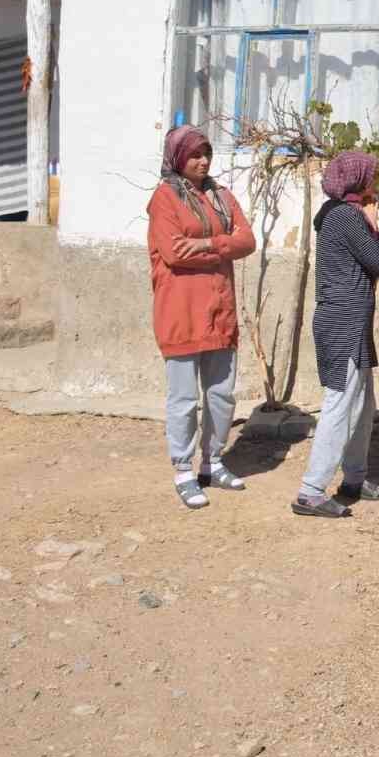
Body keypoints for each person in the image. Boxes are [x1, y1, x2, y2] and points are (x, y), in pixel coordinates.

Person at [147, 125, 257, 510]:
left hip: (219, 311)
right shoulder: (164, 198)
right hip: (180, 312)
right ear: (178, 158)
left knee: (221, 395)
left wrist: (208, 243)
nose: (203, 161)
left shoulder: (221, 196)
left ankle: (213, 461)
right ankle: (183, 470)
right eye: (194, 154)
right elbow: (174, 252)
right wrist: (222, 249)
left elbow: (247, 241)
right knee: (183, 398)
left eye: (206, 153)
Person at [292, 151, 379, 518]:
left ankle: (354, 477)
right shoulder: (348, 217)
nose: (374, 183)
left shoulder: (335, 212)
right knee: (339, 402)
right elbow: (378, 263)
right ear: (356, 180)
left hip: (350, 321)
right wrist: (374, 225)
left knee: (362, 405)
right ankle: (310, 492)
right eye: (370, 176)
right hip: (343, 323)